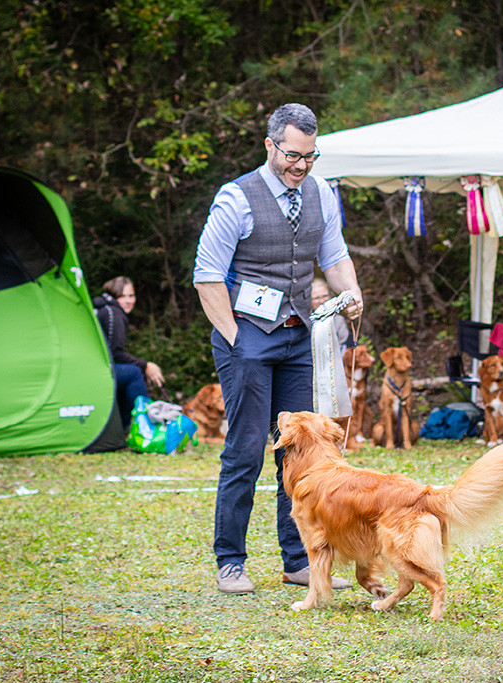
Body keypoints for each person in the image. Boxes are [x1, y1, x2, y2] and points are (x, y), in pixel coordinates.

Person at [193, 103, 363, 595]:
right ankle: (231, 562)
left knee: (303, 452)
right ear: (270, 145)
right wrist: (234, 339)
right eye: (292, 155)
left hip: (298, 336)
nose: (301, 165)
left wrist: (351, 292)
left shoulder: (321, 194)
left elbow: (334, 256)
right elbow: (207, 276)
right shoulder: (236, 198)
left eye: (310, 156)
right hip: (246, 335)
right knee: (247, 449)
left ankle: (298, 561)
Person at [93, 276, 164, 425]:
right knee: (134, 373)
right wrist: (146, 366)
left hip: (92, 367)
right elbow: (115, 354)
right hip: (96, 370)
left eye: (131, 296)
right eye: (122, 296)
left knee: (127, 373)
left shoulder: (102, 308)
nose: (129, 301)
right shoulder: (114, 313)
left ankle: (125, 425)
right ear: (113, 297)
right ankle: (144, 424)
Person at [312, 277, 352, 353]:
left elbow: (344, 344)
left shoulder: (339, 320)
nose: (322, 301)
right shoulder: (306, 321)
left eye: (325, 296)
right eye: (316, 298)